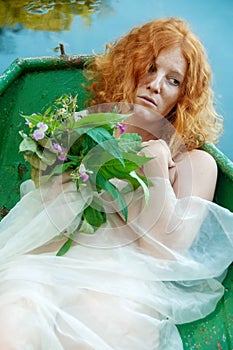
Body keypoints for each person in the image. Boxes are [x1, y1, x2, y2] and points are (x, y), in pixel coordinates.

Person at [0, 17, 232, 350]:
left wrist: (153, 166)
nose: (155, 85)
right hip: (52, 262)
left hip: (122, 286)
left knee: (94, 322)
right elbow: (46, 214)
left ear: (184, 95)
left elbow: (163, 253)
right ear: (130, 66)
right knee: (14, 310)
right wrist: (74, 154)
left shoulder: (193, 163)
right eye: (150, 68)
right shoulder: (87, 130)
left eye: (173, 80)